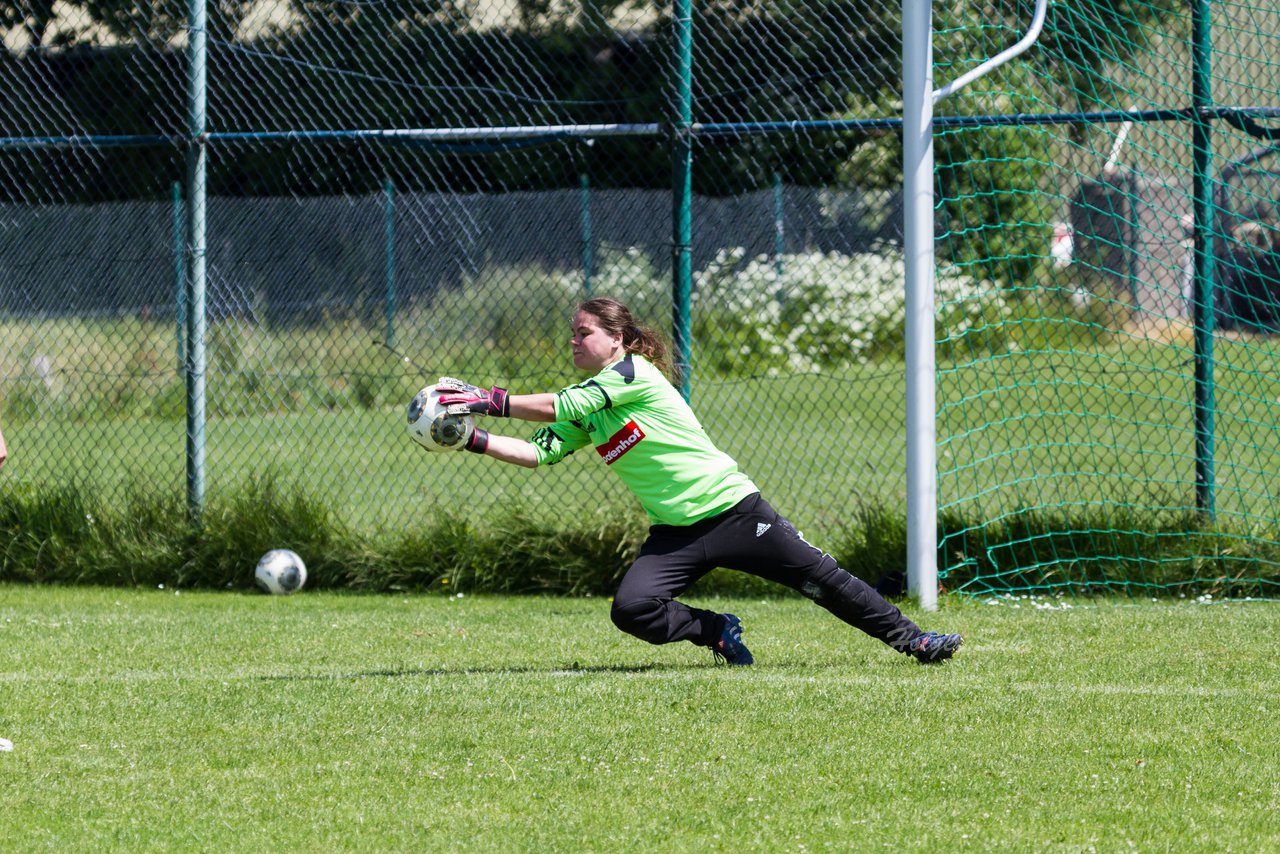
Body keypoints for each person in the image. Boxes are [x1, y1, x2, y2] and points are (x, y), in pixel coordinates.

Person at [434, 296, 962, 666]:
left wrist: (488, 399)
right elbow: (536, 451)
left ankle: (915, 641)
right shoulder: (590, 401)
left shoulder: (632, 375)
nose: (573, 340)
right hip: (676, 533)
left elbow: (561, 404)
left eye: (584, 332)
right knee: (632, 610)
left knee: (821, 580)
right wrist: (473, 440)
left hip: (735, 512)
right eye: (571, 333)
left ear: (617, 339)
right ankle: (714, 630)